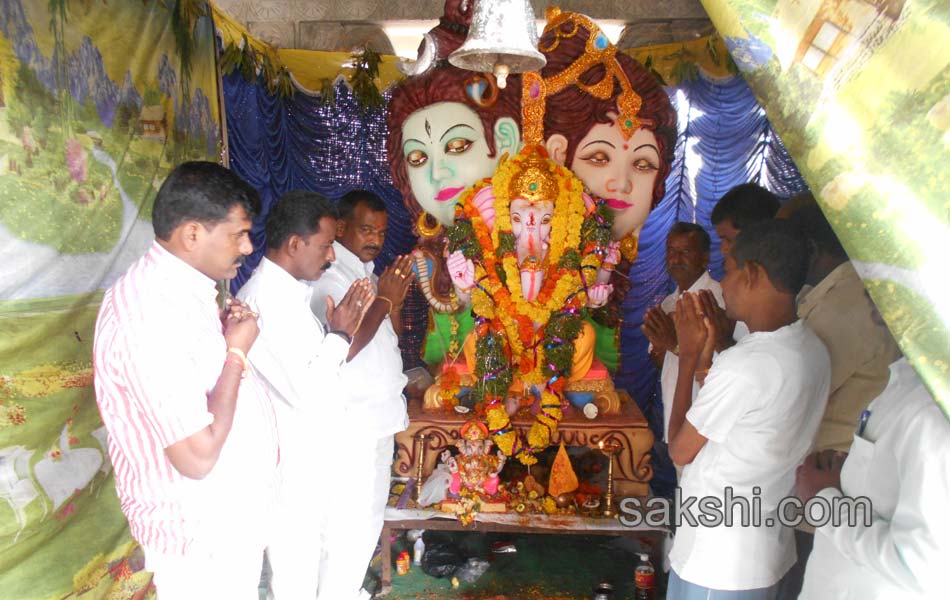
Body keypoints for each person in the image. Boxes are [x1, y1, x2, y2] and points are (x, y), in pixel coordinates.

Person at [93, 162, 278, 599]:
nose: (249, 247)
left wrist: (225, 336)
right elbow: (196, 457)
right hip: (200, 544)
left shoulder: (185, 292)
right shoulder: (149, 314)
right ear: (192, 234)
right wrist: (236, 352)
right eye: (238, 234)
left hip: (223, 531)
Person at [666, 220, 831, 599]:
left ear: (753, 274)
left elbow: (679, 450)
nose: (722, 285)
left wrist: (689, 356)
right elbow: (745, 417)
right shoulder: (811, 348)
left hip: (718, 560)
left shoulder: (746, 364)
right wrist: (709, 359)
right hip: (763, 548)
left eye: (729, 271)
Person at [235, 191, 374, 599]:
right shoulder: (264, 301)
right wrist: (340, 334)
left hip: (312, 458)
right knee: (296, 572)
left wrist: (333, 334)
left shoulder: (288, 295)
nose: (331, 255)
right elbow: (308, 393)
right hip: (290, 466)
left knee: (313, 560)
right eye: (326, 243)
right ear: (296, 244)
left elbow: (316, 375)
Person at [771, 197, 902, 599]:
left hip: (832, 483)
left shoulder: (846, 305)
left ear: (810, 247)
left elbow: (795, 397)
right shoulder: (829, 294)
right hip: (823, 487)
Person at [796, 292, 950, 599]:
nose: (868, 288)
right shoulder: (909, 381)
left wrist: (823, 500)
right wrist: (851, 476)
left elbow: (924, 567)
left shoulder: (931, 413)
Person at [309, 190, 414, 600]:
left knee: (366, 520)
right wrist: (385, 299)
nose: (375, 238)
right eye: (366, 229)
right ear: (340, 227)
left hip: (377, 419)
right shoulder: (331, 276)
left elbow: (389, 336)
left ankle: (343, 590)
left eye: (382, 232)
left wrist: (394, 300)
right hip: (353, 423)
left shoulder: (367, 274)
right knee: (348, 522)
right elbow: (343, 346)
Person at [641, 222, 720, 444]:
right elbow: (660, 362)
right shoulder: (668, 303)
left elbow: (722, 362)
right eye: (671, 251)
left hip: (707, 419)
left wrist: (674, 344)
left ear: (704, 258)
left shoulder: (716, 299)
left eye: (685, 252)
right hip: (675, 410)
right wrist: (659, 343)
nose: (675, 259)